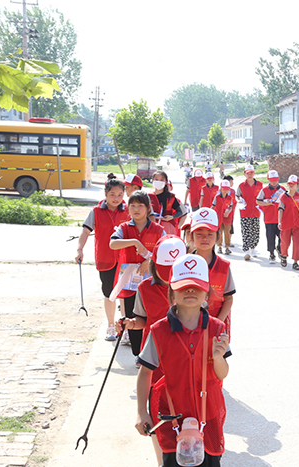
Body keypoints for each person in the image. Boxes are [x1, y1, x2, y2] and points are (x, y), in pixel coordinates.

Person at [135, 254, 230, 467]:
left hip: (210, 415)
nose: (190, 291)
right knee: (172, 462)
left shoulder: (217, 328)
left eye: (196, 286)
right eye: (183, 286)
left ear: (206, 291)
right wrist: (142, 412)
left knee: (210, 462)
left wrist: (217, 358)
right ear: (171, 292)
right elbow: (145, 373)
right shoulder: (159, 330)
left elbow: (222, 373)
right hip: (171, 415)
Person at [118, 234, 184, 466]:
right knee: (157, 417)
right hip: (155, 361)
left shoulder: (189, 289)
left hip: (183, 360)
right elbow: (142, 319)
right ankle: (161, 462)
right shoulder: (145, 287)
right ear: (154, 263)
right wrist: (130, 323)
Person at [109, 191, 167, 357]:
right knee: (131, 317)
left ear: (148, 208)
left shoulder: (158, 230)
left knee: (150, 316)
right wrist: (134, 241)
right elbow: (113, 243)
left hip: (152, 282)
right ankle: (137, 355)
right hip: (129, 283)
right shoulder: (124, 228)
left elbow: (167, 251)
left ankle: (151, 353)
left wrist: (150, 261)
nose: (136, 209)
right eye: (132, 205)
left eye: (140, 205)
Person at [75, 174, 130, 341]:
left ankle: (127, 329)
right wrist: (79, 249)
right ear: (106, 194)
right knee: (109, 294)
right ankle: (111, 326)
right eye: (112, 194)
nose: (116, 198)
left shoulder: (128, 211)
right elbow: (85, 231)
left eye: (120, 195)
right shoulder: (96, 212)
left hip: (126, 260)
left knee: (125, 294)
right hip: (105, 259)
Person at [189, 208, 236, 338]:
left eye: (210, 234)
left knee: (215, 357)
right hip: (188, 326)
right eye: (199, 233)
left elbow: (228, 298)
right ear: (191, 236)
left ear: (218, 236)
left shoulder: (224, 266)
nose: (205, 238)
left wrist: (217, 323)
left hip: (216, 325)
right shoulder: (184, 264)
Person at [256, 170, 285, 263]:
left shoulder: (283, 189)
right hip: (269, 218)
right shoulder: (264, 190)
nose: (274, 182)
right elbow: (258, 201)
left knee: (282, 237)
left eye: (275, 180)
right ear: (268, 179)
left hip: (281, 218)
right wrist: (266, 203)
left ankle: (279, 249)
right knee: (270, 237)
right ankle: (271, 254)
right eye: (272, 180)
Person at [236, 164, 263, 260]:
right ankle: (246, 251)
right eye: (248, 173)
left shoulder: (260, 184)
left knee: (255, 232)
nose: (250, 175)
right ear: (244, 174)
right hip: (245, 212)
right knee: (246, 231)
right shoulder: (241, 186)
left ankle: (253, 248)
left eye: (251, 173)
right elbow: (237, 195)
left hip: (256, 211)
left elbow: (263, 196)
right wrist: (238, 200)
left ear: (254, 173)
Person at [278, 175, 299, 270]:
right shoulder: (283, 197)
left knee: (298, 243)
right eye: (289, 184)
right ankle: (283, 256)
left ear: (298, 185)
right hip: (286, 223)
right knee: (285, 242)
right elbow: (280, 210)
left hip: (298, 223)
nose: (291, 185)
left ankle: (296, 262)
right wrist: (279, 222)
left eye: (293, 184)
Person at [153, 171, 187, 235]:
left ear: (166, 182)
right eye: (156, 179)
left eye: (161, 180)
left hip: (168, 228)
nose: (158, 182)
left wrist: (172, 217)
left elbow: (181, 212)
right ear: (152, 181)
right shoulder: (148, 197)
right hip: (152, 227)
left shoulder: (171, 197)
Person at [212, 180, 236, 255]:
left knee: (227, 232)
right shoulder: (217, 197)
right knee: (219, 232)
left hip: (227, 217)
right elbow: (213, 206)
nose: (225, 190)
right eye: (224, 188)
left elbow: (231, 207)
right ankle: (219, 247)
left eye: (227, 189)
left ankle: (227, 247)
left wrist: (228, 212)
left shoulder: (230, 198)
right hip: (218, 217)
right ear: (221, 188)